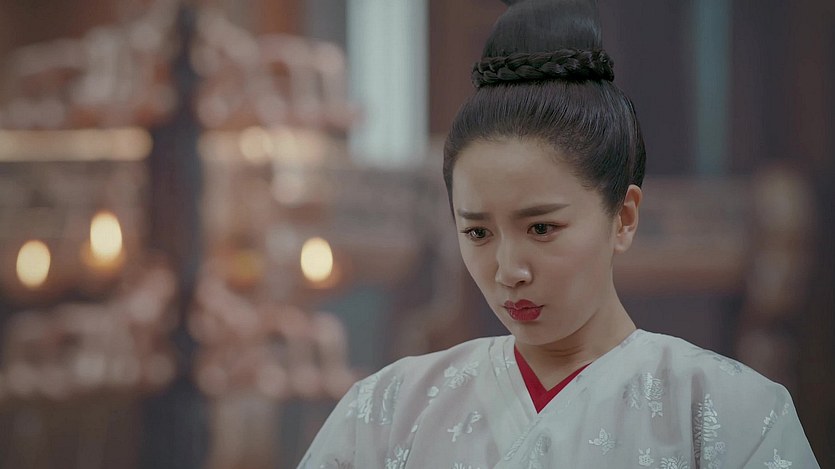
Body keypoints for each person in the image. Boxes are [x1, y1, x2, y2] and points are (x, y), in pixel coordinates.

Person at [298, 0, 820, 467]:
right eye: (477, 233)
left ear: (624, 217)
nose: (509, 271)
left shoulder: (729, 412)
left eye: (542, 227)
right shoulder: (386, 410)